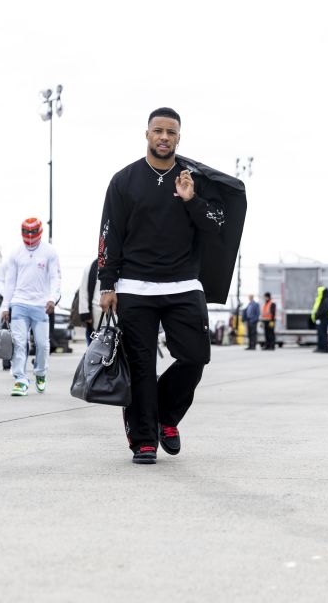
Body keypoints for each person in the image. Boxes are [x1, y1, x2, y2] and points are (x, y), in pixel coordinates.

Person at [97, 106, 240, 464]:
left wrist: (192, 200)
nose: (164, 137)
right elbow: (109, 234)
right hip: (134, 288)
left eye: (171, 132)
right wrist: (107, 285)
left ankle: (166, 417)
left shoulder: (194, 180)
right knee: (142, 366)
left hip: (184, 285)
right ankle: (144, 438)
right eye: (158, 131)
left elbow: (217, 224)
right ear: (147, 134)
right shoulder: (124, 180)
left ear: (179, 137)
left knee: (196, 356)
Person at [0, 217, 61, 396]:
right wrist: (5, 306)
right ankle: (20, 379)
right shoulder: (16, 253)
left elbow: (55, 277)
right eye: (27, 232)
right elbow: (9, 282)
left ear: (40, 231)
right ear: (22, 232)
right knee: (18, 342)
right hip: (19, 303)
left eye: (33, 232)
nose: (30, 235)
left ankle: (40, 373)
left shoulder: (50, 252)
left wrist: (52, 298)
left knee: (42, 344)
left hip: (41, 305)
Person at [76, 257, 101, 341]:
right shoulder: (91, 267)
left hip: (113, 312)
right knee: (95, 344)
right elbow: (83, 291)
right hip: (95, 312)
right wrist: (86, 314)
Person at [311, 285, 328, 353]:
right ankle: (322, 348)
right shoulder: (325, 299)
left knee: (323, 334)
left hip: (323, 319)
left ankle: (324, 348)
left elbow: (323, 310)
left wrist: (317, 316)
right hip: (323, 319)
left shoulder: (325, 300)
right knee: (322, 334)